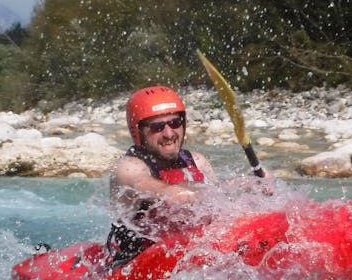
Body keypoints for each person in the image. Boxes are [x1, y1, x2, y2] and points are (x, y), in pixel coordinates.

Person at [105, 85, 269, 268]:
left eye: (175, 123)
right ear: (139, 132)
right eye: (157, 127)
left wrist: (255, 187)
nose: (169, 134)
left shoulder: (197, 161)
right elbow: (170, 195)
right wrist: (235, 186)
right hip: (134, 265)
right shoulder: (129, 168)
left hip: (187, 257)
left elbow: (220, 208)